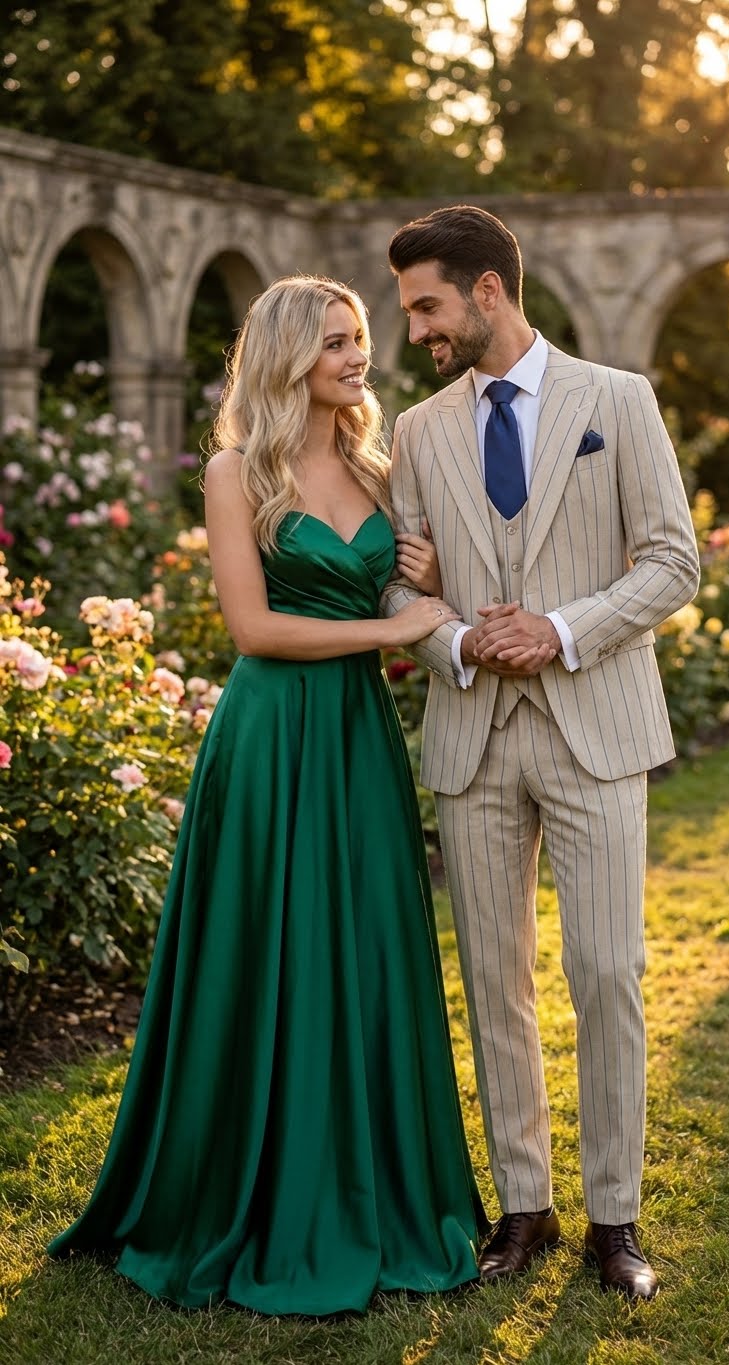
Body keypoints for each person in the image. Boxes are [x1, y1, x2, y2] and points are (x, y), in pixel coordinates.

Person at [48, 274, 488, 1315]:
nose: (357, 358)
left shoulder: (381, 469)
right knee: (265, 951)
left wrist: (412, 585)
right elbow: (253, 628)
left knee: (364, 949)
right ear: (289, 353)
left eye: (362, 339)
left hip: (354, 739)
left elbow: (396, 595)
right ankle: (237, 1191)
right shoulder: (237, 470)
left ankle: (371, 1189)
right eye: (335, 341)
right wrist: (392, 627)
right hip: (270, 735)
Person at [383, 205, 700, 1301]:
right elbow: (396, 588)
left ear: (485, 291)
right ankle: (526, 1206)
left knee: (606, 974)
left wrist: (558, 629)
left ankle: (616, 1219)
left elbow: (671, 562)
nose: (416, 331)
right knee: (495, 981)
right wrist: (459, 636)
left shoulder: (619, 402)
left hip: (594, 727)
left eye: (427, 305)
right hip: (474, 736)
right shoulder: (417, 431)